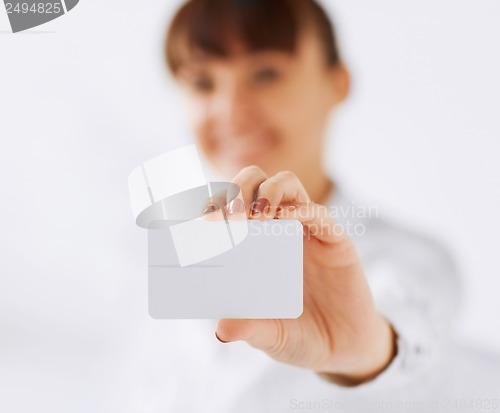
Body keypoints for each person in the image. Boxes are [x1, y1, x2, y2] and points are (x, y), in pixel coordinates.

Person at [157, 0, 462, 410]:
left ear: (337, 83)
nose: (231, 110)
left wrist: (366, 351)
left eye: (265, 74)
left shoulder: (410, 259)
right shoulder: (165, 255)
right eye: (202, 83)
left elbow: (409, 328)